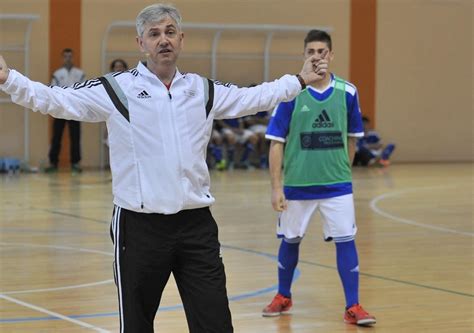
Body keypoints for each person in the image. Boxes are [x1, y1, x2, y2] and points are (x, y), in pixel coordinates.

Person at [0, 4, 328, 332]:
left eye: (170, 32)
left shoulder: (202, 90)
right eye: (154, 34)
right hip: (139, 228)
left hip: (196, 226)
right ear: (141, 43)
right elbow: (53, 99)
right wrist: (8, 79)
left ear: (181, 39)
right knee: (137, 325)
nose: (163, 40)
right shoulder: (117, 90)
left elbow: (256, 97)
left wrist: (299, 80)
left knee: (215, 323)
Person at [262, 30, 376, 326]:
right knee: (290, 239)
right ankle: (283, 295)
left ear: (331, 55)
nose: (316, 56)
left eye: (322, 51)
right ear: (304, 56)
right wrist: (276, 187)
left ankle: (353, 306)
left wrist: (341, 171)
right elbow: (276, 142)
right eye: (311, 51)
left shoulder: (347, 92)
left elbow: (352, 139)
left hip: (337, 186)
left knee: (346, 240)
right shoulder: (291, 93)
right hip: (297, 186)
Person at [45, 48, 86, 173]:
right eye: (66, 56)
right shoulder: (57, 74)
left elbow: (84, 91)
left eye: (70, 56)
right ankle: (53, 163)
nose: (68, 58)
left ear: (73, 57)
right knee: (56, 137)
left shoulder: (79, 74)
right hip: (60, 109)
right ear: (63, 58)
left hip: (75, 110)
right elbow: (53, 90)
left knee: (75, 137)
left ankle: (75, 163)